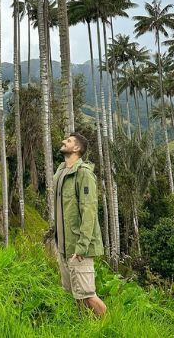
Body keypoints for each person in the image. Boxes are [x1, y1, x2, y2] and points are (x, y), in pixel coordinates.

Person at [52, 131, 107, 317]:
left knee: (88, 295)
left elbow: (89, 211)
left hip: (78, 248)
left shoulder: (84, 175)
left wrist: (82, 246)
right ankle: (87, 327)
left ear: (76, 148)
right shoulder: (61, 172)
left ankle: (111, 327)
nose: (63, 141)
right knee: (75, 294)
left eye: (68, 141)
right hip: (64, 247)